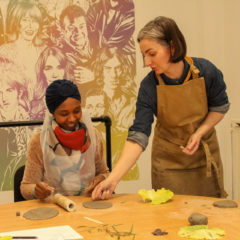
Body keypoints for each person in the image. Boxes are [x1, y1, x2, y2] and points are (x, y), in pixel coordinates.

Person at [92, 16, 230, 200]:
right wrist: (113, 180)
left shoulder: (206, 71)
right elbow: (138, 135)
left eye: (152, 54)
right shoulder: (149, 87)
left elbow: (219, 107)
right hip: (169, 163)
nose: (147, 62)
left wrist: (199, 133)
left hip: (203, 160)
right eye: (144, 56)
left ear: (172, 47)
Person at [21, 79, 109, 199]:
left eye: (77, 111)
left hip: (88, 206)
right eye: (64, 114)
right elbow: (25, 187)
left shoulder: (93, 135)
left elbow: (104, 172)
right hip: (53, 209)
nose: (72, 119)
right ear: (53, 113)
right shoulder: (40, 141)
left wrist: (101, 178)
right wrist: (35, 190)